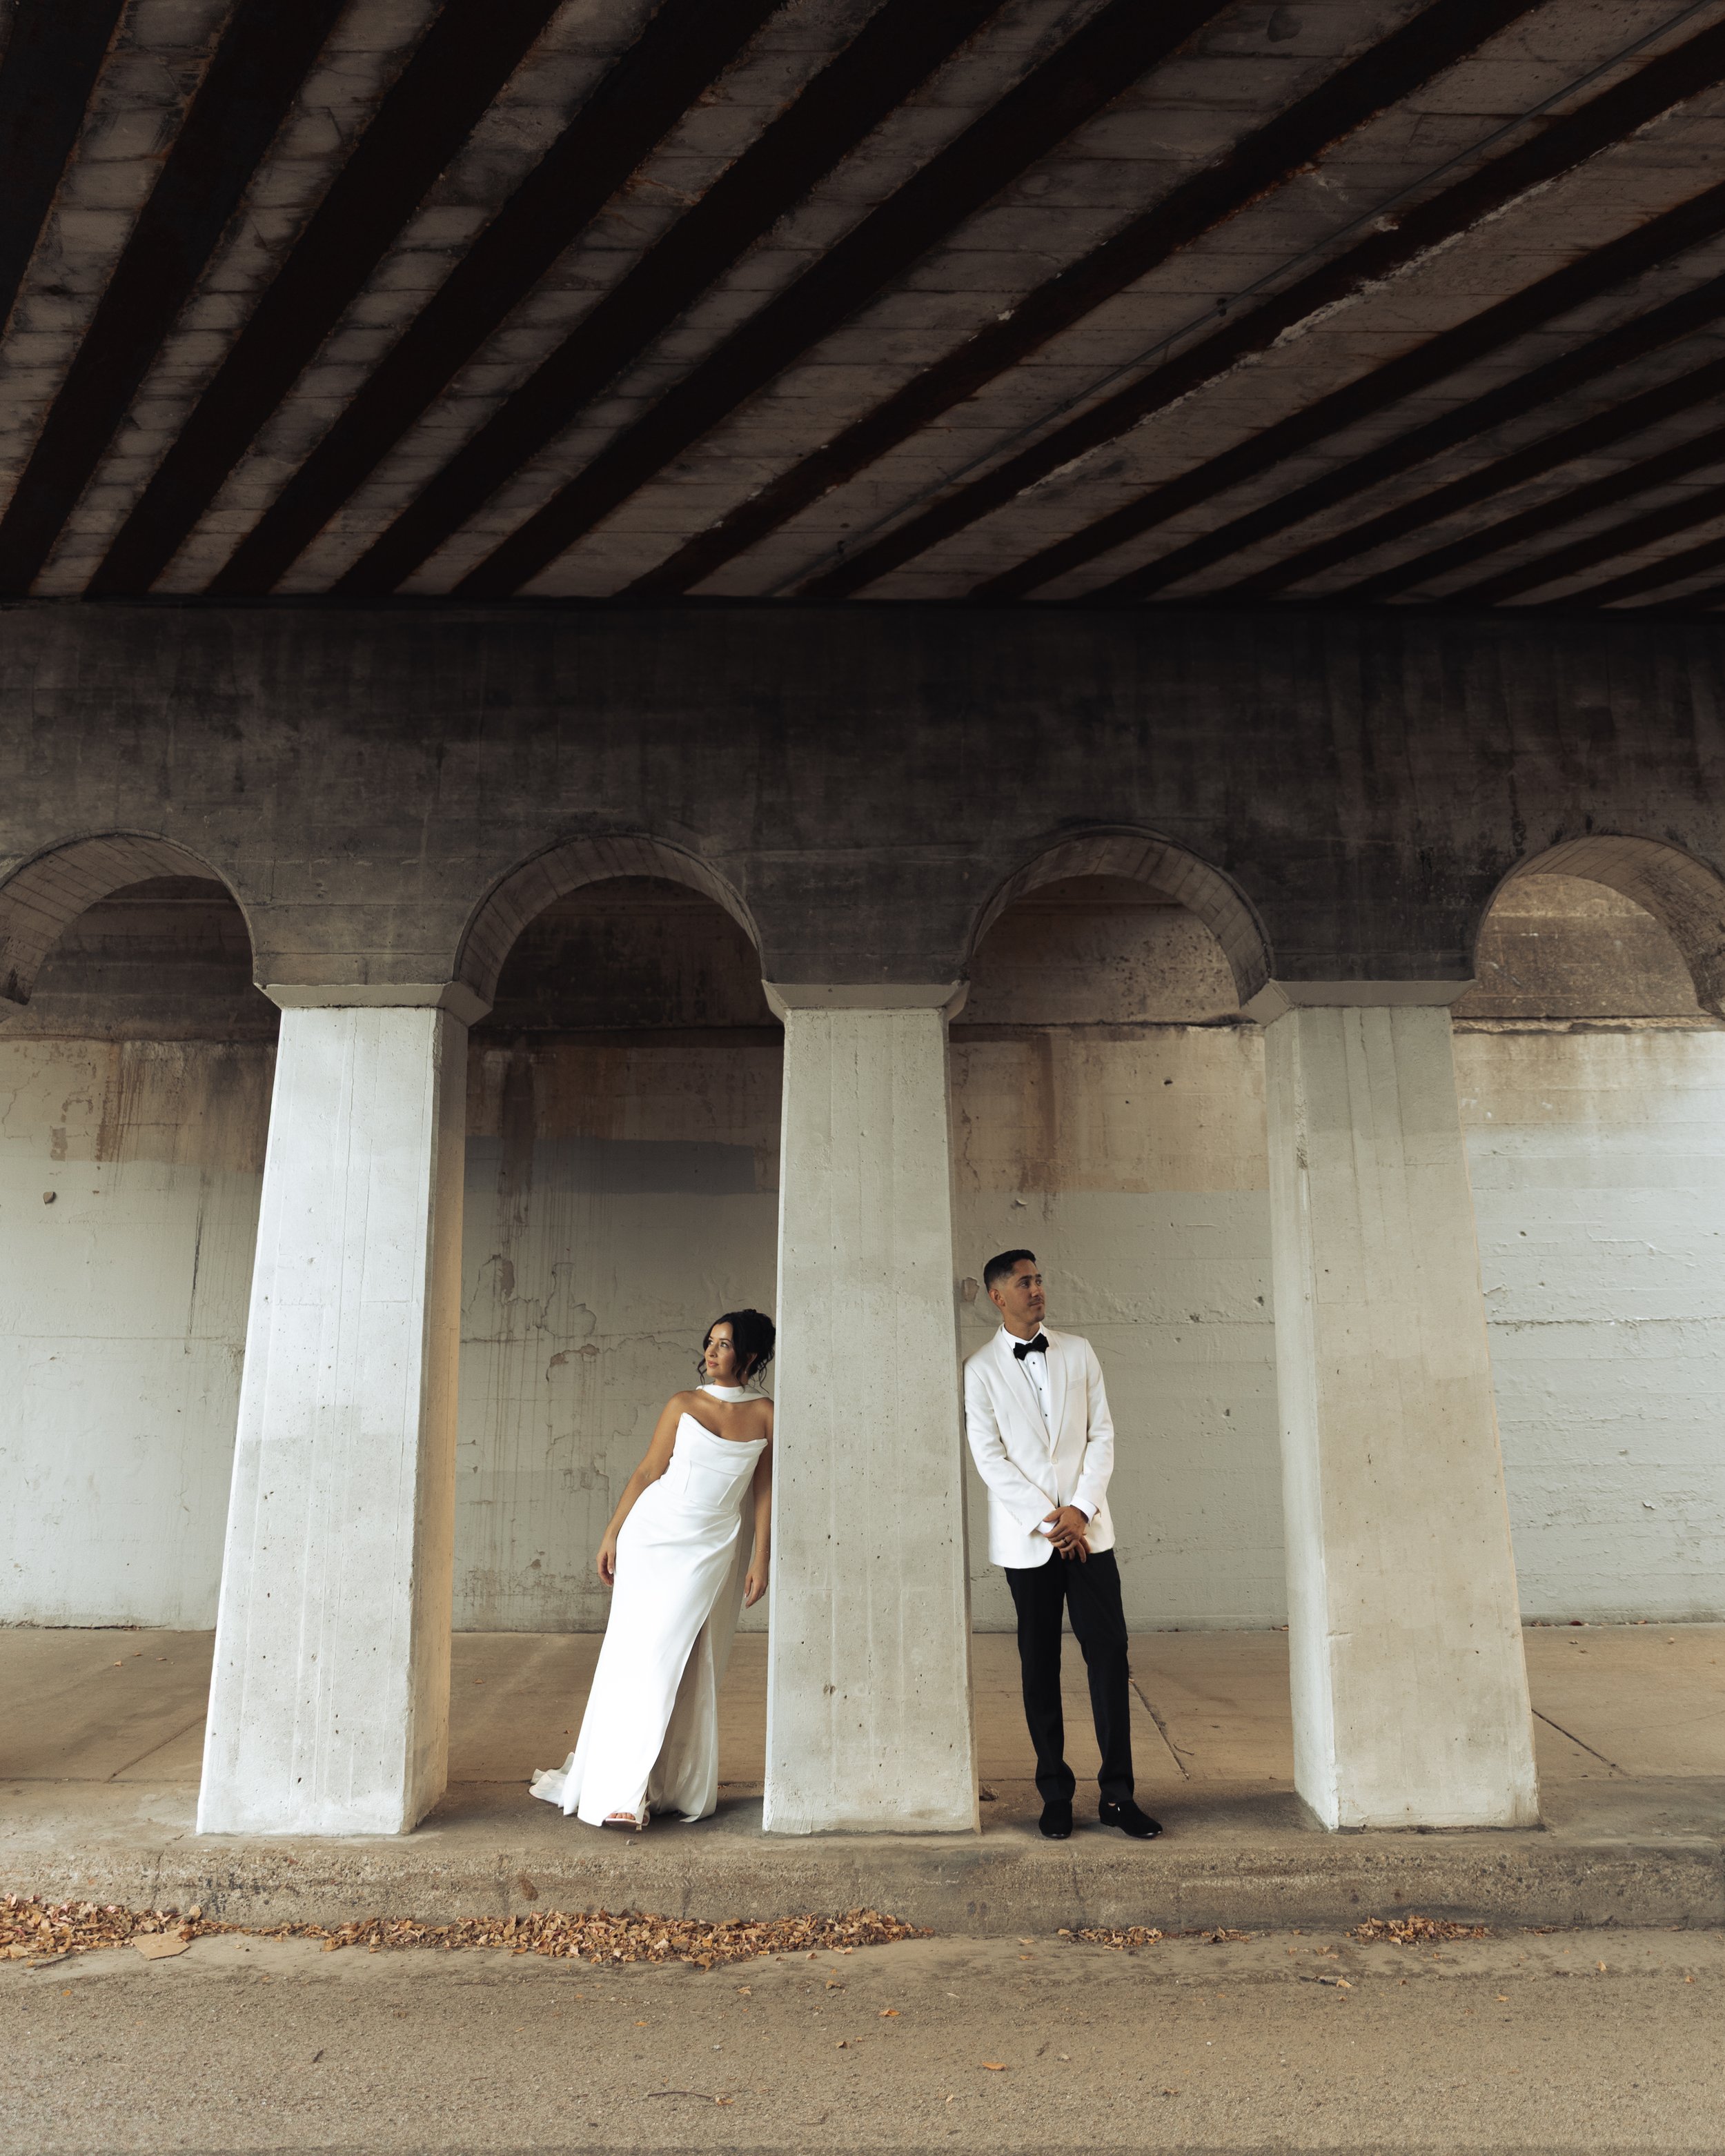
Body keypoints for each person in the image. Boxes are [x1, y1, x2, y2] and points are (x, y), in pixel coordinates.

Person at [529, 1311, 774, 1830]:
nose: (711, 1352)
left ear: (750, 1356)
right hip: (653, 1535)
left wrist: (762, 1557)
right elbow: (647, 1471)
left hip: (711, 1548)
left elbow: (765, 1490)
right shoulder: (683, 1404)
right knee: (639, 1657)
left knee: (683, 1663)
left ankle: (667, 1781)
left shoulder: (766, 1414)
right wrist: (612, 1533)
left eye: (725, 1344)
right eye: (710, 1341)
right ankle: (624, 1792)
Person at [963, 1251, 1161, 1843]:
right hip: (1030, 1540)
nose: (1037, 1289)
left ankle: (1119, 1795)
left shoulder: (1079, 1351)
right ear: (998, 1296)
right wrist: (1048, 1519)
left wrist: (1081, 1510)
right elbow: (989, 1457)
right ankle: (1055, 1794)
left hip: (1089, 1532)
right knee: (1039, 1664)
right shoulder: (979, 1369)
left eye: (1039, 1279)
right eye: (1024, 1282)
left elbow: (1103, 1434)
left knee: (1110, 1655)